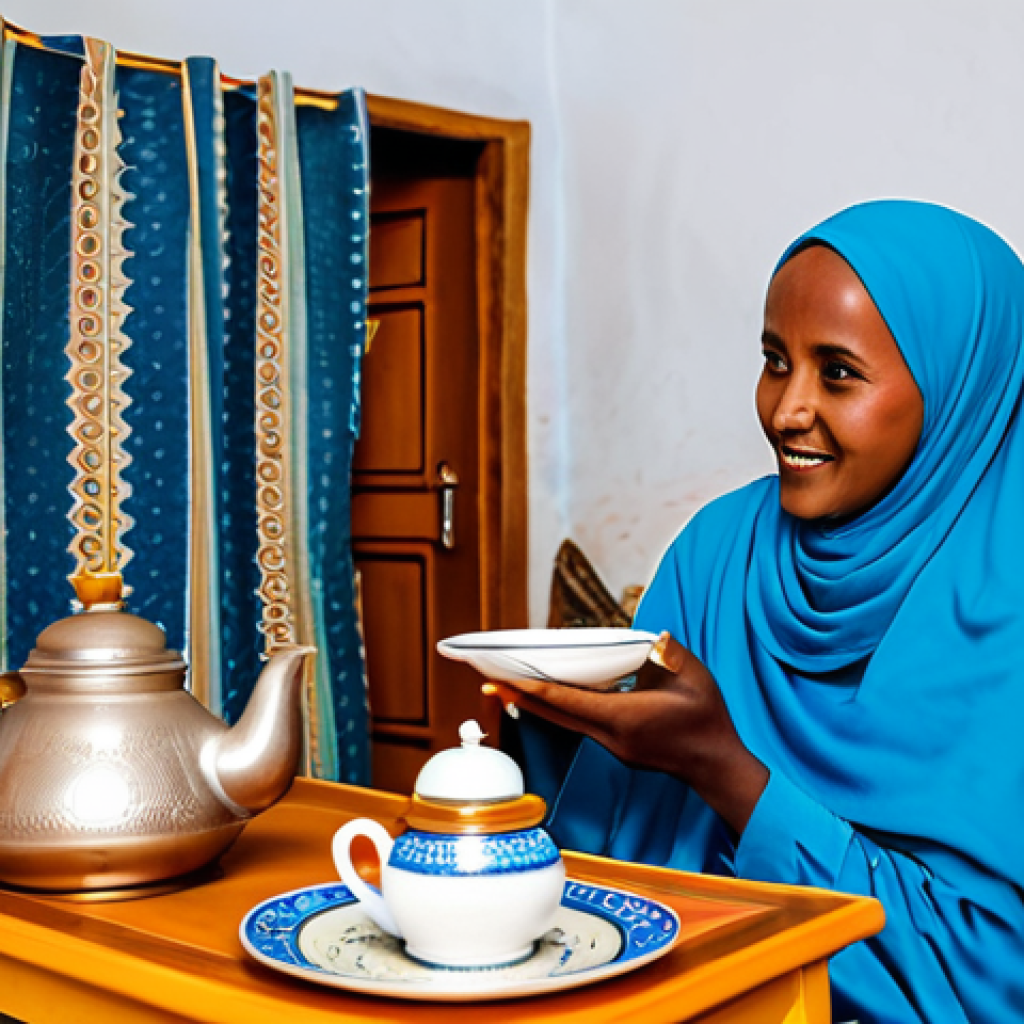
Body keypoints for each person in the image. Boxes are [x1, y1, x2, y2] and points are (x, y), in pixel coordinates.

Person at [488, 200, 1024, 1024]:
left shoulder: (1004, 613)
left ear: (958, 391)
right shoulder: (719, 548)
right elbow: (600, 866)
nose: (785, 412)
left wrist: (724, 770)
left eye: (837, 372)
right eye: (776, 360)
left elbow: (987, 980)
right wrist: (549, 725)